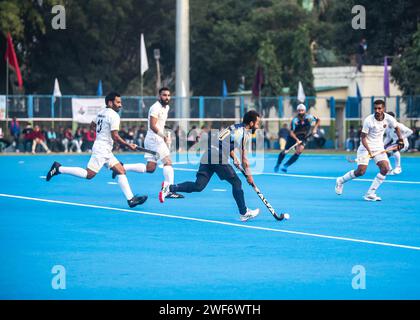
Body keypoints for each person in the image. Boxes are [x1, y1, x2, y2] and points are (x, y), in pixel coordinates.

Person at [46, 92, 147, 208]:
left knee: (121, 171)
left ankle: (131, 199)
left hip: (104, 148)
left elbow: (92, 125)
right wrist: (128, 145)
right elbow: (115, 136)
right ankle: (59, 168)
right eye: (118, 102)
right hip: (102, 150)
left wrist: (102, 135)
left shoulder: (101, 112)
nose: (120, 105)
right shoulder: (114, 116)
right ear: (110, 102)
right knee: (88, 174)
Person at [159, 110, 261, 221]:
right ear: (251, 123)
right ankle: (244, 212)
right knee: (237, 182)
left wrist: (234, 157)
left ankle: (169, 188)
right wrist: (249, 175)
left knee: (198, 186)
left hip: (208, 154)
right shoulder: (244, 133)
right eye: (257, 123)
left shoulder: (234, 127)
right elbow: (244, 159)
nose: (257, 126)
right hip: (218, 157)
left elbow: (225, 142)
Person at [111, 87, 184, 199]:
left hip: (153, 139)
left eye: (168, 95)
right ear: (159, 96)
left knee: (150, 168)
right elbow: (153, 125)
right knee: (168, 162)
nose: (167, 97)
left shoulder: (167, 107)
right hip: (155, 139)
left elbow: (160, 124)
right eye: (164, 95)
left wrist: (165, 133)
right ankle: (169, 190)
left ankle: (122, 167)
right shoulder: (155, 108)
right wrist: (163, 136)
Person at [335, 100, 404, 201]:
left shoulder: (389, 118)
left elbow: (397, 128)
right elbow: (363, 138)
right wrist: (369, 151)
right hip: (365, 147)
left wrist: (401, 140)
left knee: (385, 168)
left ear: (383, 109)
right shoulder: (369, 120)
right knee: (361, 172)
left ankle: (370, 193)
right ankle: (340, 180)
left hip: (379, 147)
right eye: (375, 108)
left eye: (379, 108)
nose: (377, 110)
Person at [274, 104, 320, 173]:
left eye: (302, 110)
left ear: (305, 111)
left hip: (303, 137)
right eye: (299, 111)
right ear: (297, 111)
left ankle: (286, 165)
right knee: (285, 152)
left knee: (299, 150)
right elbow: (291, 133)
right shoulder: (295, 120)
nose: (301, 112)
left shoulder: (309, 117)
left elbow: (318, 120)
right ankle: (278, 164)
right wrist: (297, 140)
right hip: (293, 137)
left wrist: (315, 129)